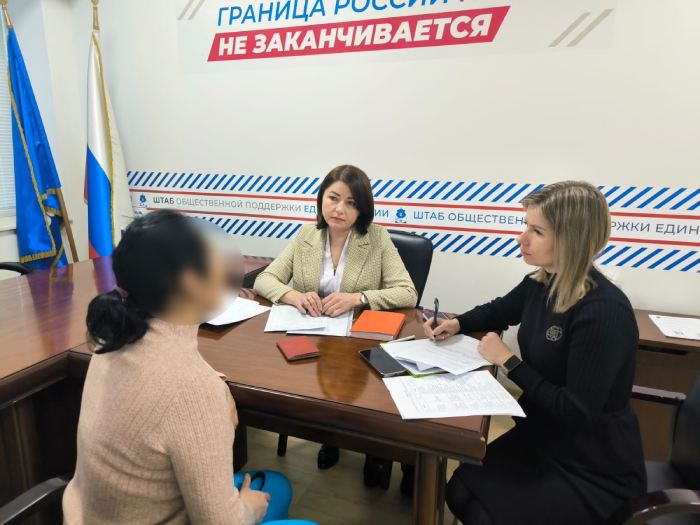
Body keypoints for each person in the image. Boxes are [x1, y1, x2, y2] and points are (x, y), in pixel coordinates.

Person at [63, 210, 315, 525]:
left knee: (278, 486)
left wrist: (216, 387)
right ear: (191, 282)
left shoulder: (112, 337)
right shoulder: (192, 390)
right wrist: (249, 508)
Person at [425, 181, 646, 525]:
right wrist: (457, 323)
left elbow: (575, 412)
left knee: (482, 513)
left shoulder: (603, 312)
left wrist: (509, 361)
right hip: (544, 435)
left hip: (591, 465)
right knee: (458, 490)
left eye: (537, 231)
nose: (522, 238)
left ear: (572, 239)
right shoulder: (543, 282)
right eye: (525, 225)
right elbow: (499, 310)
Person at [254, 164, 418, 476]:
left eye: (351, 202)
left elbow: (407, 292)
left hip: (359, 344)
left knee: (363, 396)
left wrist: (359, 298)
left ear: (362, 209)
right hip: (313, 339)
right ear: (321, 199)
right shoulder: (307, 235)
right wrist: (294, 296)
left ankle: (374, 449)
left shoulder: (377, 238)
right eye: (333, 198)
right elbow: (265, 279)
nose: (339, 209)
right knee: (305, 390)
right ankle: (330, 439)